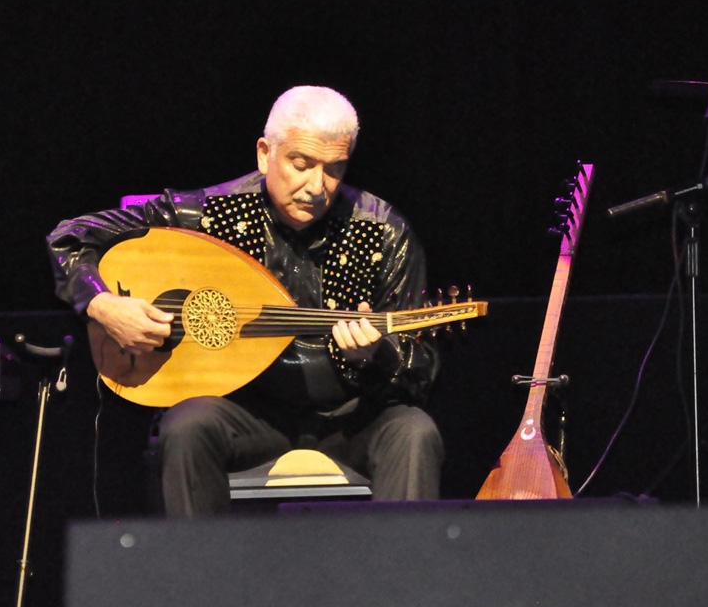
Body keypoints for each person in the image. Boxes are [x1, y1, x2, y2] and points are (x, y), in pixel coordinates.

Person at [48, 86, 444, 516]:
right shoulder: (212, 216)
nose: (317, 186)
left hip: (352, 417)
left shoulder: (382, 231)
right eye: (300, 164)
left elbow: (420, 368)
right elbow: (70, 237)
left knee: (415, 432)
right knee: (185, 428)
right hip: (243, 412)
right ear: (264, 154)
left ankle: (404, 580)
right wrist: (103, 305)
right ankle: (205, 582)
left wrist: (376, 354)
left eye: (334, 169)